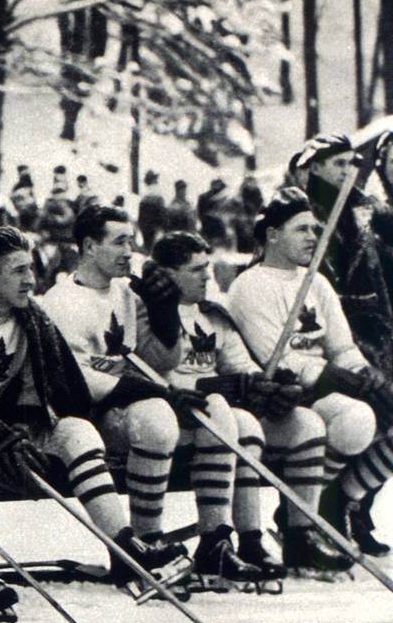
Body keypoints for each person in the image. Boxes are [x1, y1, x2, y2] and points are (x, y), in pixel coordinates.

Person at [0, 227, 186, 595]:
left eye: (31, 269)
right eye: (19, 271)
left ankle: (124, 546)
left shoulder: (30, 318)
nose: (30, 280)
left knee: (77, 430)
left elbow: (43, 390)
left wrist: (22, 427)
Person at [145, 232, 350, 580]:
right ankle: (233, 539)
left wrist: (270, 386)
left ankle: (299, 534)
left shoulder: (212, 315)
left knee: (307, 423)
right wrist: (213, 387)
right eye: (196, 270)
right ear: (167, 273)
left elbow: (242, 366)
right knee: (240, 423)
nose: (206, 277)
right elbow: (151, 371)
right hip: (180, 418)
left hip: (218, 415)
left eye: (206, 268)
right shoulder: (151, 312)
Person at [227, 188, 392, 554]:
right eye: (301, 229)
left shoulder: (316, 281)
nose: (312, 238)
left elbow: (342, 346)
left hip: (328, 388)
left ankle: (338, 502)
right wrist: (336, 378)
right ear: (272, 234)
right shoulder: (249, 285)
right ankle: (301, 511)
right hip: (282, 399)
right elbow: (274, 358)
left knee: (386, 407)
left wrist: (366, 374)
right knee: (356, 419)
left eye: (314, 230)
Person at [39, 205, 207, 547]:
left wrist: (166, 315)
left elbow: (160, 362)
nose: (129, 252)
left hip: (116, 407)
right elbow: (78, 381)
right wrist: (155, 392)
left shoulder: (127, 292)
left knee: (163, 419)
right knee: (156, 414)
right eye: (119, 242)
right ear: (88, 247)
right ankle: (128, 548)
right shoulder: (61, 301)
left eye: (130, 241)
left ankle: (149, 538)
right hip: (76, 413)